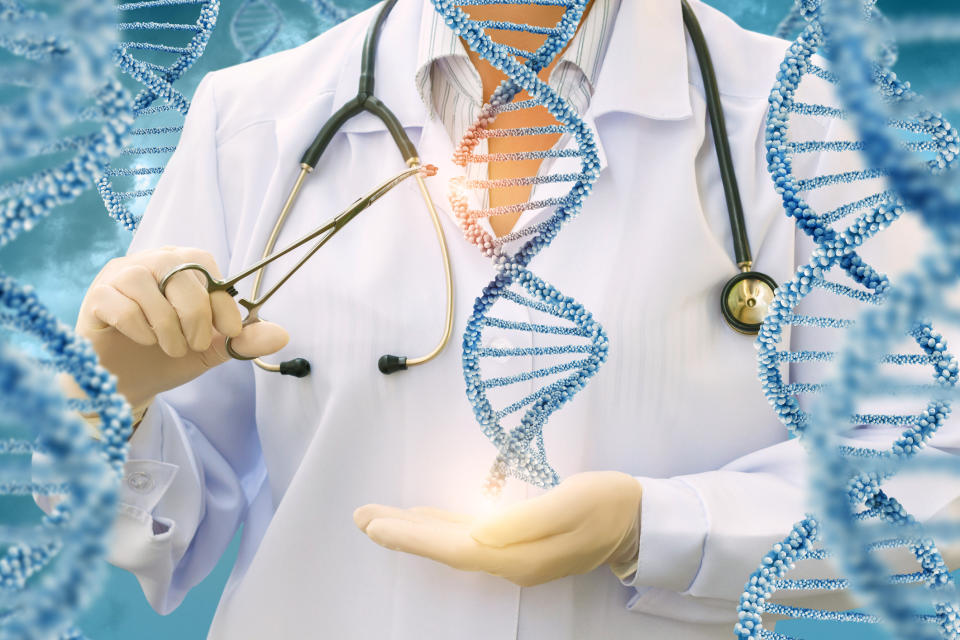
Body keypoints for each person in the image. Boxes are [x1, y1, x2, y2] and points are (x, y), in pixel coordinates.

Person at [54, 0, 960, 637]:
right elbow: (161, 535)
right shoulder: (250, 122)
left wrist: (655, 527)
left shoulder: (812, 129)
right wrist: (110, 399)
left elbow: (933, 482)